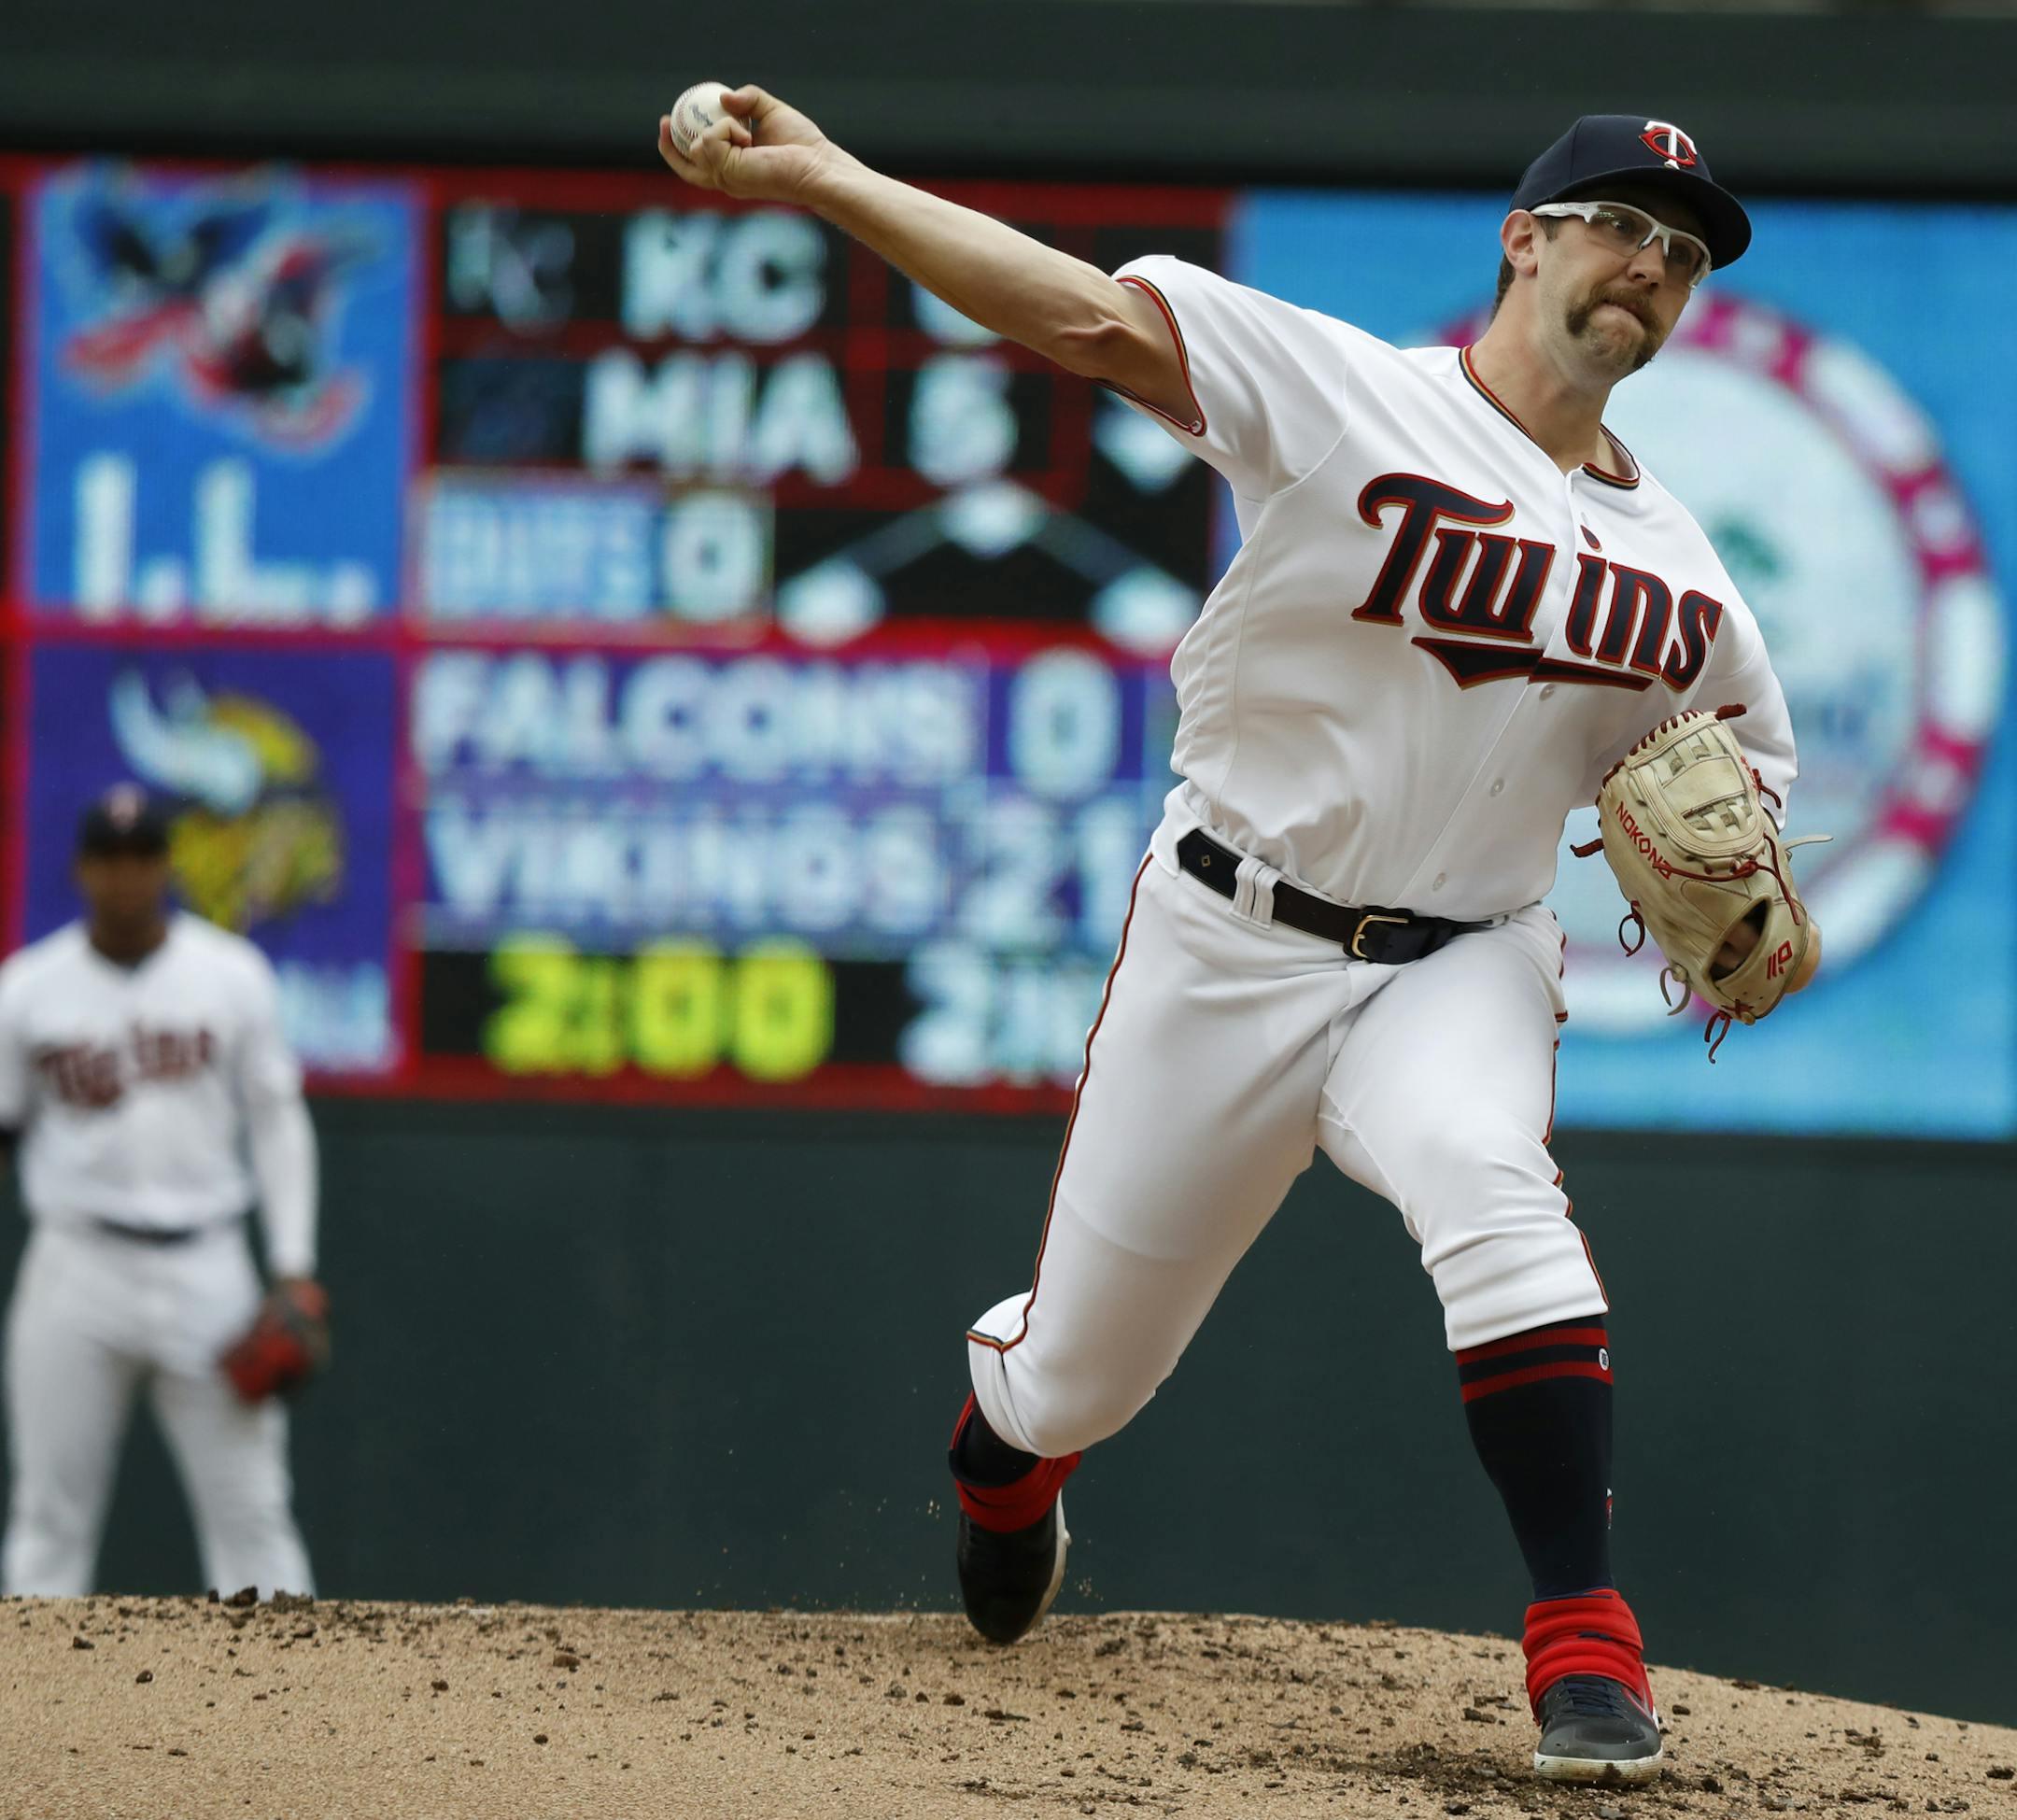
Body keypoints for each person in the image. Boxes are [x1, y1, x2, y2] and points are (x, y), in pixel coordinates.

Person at [661, 103, 1821, 1784]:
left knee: (1495, 1193)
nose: (1652, 260)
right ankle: (1007, 1456)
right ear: (1527, 237)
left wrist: (1734, 868)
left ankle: (1585, 1635)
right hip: (1231, 934)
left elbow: (1753, 791)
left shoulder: (1691, 578)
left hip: (1464, 958)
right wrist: (829, 179)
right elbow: (1074, 315)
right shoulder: (1352, 393)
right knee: (1081, 1376)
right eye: (1621, 222)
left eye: (1686, 247)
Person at [0, 785, 322, 1600]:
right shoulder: (27, 989)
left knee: (254, 1516)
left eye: (142, 857)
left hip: (208, 1265)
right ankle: (28, 1720)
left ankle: (302, 1721)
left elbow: (278, 1123)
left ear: (166, 865)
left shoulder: (231, 974)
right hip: (76, 1264)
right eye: (110, 859)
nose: (126, 877)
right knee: (47, 1519)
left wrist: (292, 1267)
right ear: (81, 869)